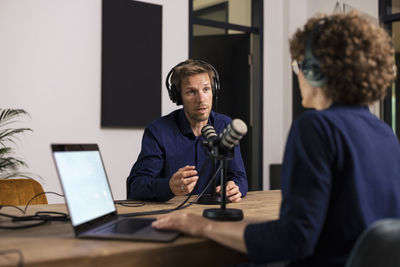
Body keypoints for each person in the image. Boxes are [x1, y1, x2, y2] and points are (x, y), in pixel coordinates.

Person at [152, 12, 400, 267]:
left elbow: (294, 239)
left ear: (314, 71)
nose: (298, 75)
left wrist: (203, 226)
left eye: (299, 65)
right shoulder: (384, 133)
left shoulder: (316, 127)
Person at [126, 59, 248, 202]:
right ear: (178, 97)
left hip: (214, 216)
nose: (201, 99)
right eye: (191, 92)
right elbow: (136, 186)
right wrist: (168, 187)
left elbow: (239, 176)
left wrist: (235, 187)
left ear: (214, 90)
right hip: (173, 217)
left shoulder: (225, 125)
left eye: (206, 89)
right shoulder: (158, 131)